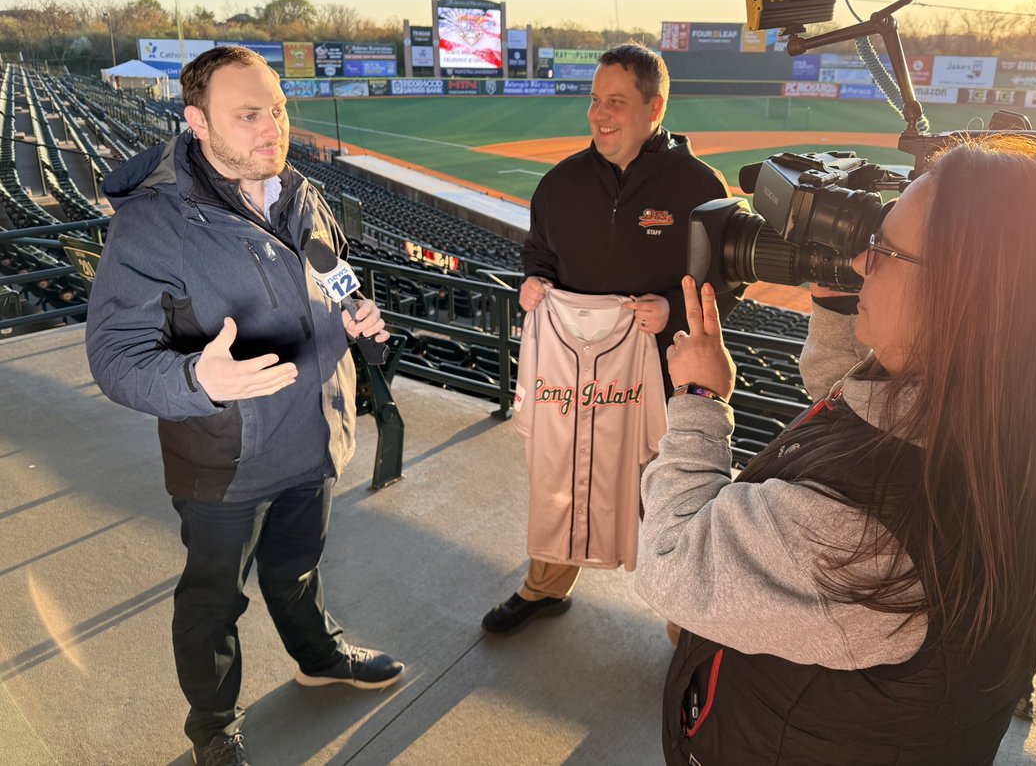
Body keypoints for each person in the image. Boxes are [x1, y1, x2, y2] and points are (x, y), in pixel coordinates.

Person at [636, 136, 1036, 763]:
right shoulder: (1027, 429)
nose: (857, 264)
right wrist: (841, 310)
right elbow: (868, 422)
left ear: (962, 294)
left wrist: (698, 398)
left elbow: (671, 556)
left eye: (884, 250)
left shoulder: (861, 530)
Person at [85, 46, 405, 766]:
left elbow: (333, 268)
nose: (273, 129)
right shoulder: (152, 224)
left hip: (315, 437)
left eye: (279, 110)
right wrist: (199, 381)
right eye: (249, 115)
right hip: (225, 461)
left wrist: (355, 309)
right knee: (213, 603)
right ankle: (212, 725)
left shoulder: (299, 191)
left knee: (297, 570)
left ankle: (319, 657)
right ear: (197, 122)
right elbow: (113, 358)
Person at [482, 42, 737, 634]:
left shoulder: (700, 186)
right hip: (577, 371)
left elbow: (729, 279)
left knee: (669, 495)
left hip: (668, 375)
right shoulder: (561, 183)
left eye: (616, 102)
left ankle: (686, 628)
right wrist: (534, 282)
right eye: (595, 100)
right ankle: (546, 586)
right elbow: (539, 251)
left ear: (655, 107)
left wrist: (670, 307)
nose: (599, 114)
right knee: (565, 479)